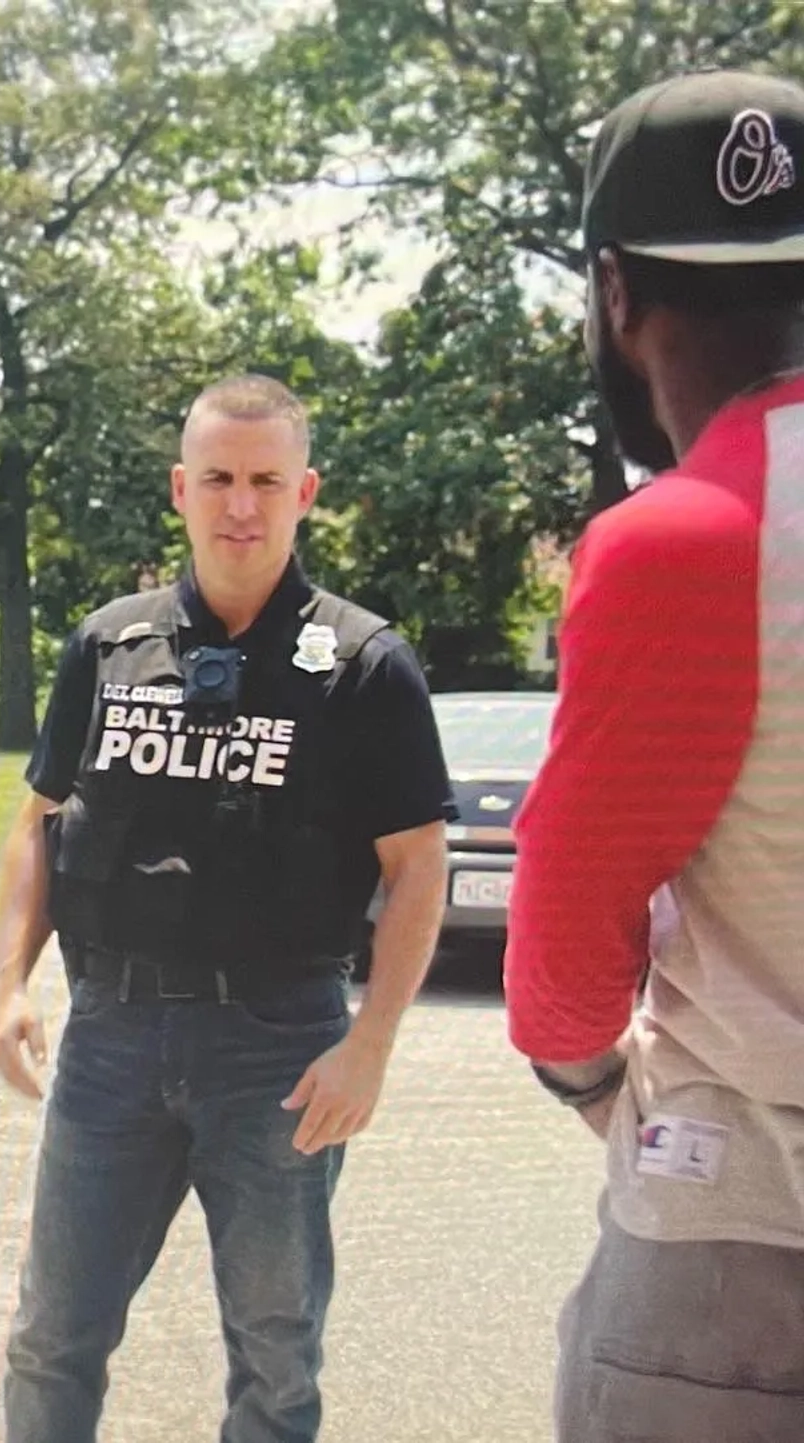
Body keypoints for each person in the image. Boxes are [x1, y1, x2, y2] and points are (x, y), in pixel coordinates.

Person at [0, 373, 454, 1443]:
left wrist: (372, 1043)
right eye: (218, 480)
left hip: (280, 1047)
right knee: (52, 1336)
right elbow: (37, 825)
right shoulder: (108, 646)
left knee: (276, 1354)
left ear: (305, 492)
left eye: (264, 481)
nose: (240, 505)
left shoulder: (365, 664)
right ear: (180, 489)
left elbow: (419, 865)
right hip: (113, 1038)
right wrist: (6, 986)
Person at [504, 69, 804, 1443]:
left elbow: (563, 951)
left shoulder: (679, 536)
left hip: (745, 1235)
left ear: (616, 295)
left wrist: (595, 1084)